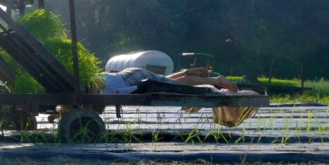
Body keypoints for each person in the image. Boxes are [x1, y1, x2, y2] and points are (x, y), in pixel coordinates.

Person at [101, 67, 238, 95]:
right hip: (131, 75)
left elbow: (96, 88)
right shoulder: (90, 78)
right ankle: (185, 72)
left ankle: (217, 80)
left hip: (132, 78)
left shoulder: (91, 81)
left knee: (174, 84)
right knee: (165, 81)